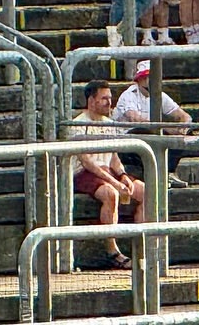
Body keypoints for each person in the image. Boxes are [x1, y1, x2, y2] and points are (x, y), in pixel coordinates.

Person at [71, 80, 148, 269]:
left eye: (110, 98)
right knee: (110, 194)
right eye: (104, 98)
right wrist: (114, 182)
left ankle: (142, 248)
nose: (109, 103)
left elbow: (114, 156)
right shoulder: (77, 125)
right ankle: (112, 251)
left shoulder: (109, 123)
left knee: (145, 190)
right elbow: (87, 162)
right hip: (84, 173)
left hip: (108, 171)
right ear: (91, 100)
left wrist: (122, 175)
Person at [112, 63, 193, 187]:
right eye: (146, 77)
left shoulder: (160, 95)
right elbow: (135, 119)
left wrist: (184, 126)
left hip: (150, 137)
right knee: (143, 131)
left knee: (184, 135)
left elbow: (184, 115)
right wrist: (168, 129)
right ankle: (160, 174)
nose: (149, 80)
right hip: (126, 142)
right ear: (139, 79)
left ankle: (168, 172)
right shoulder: (128, 95)